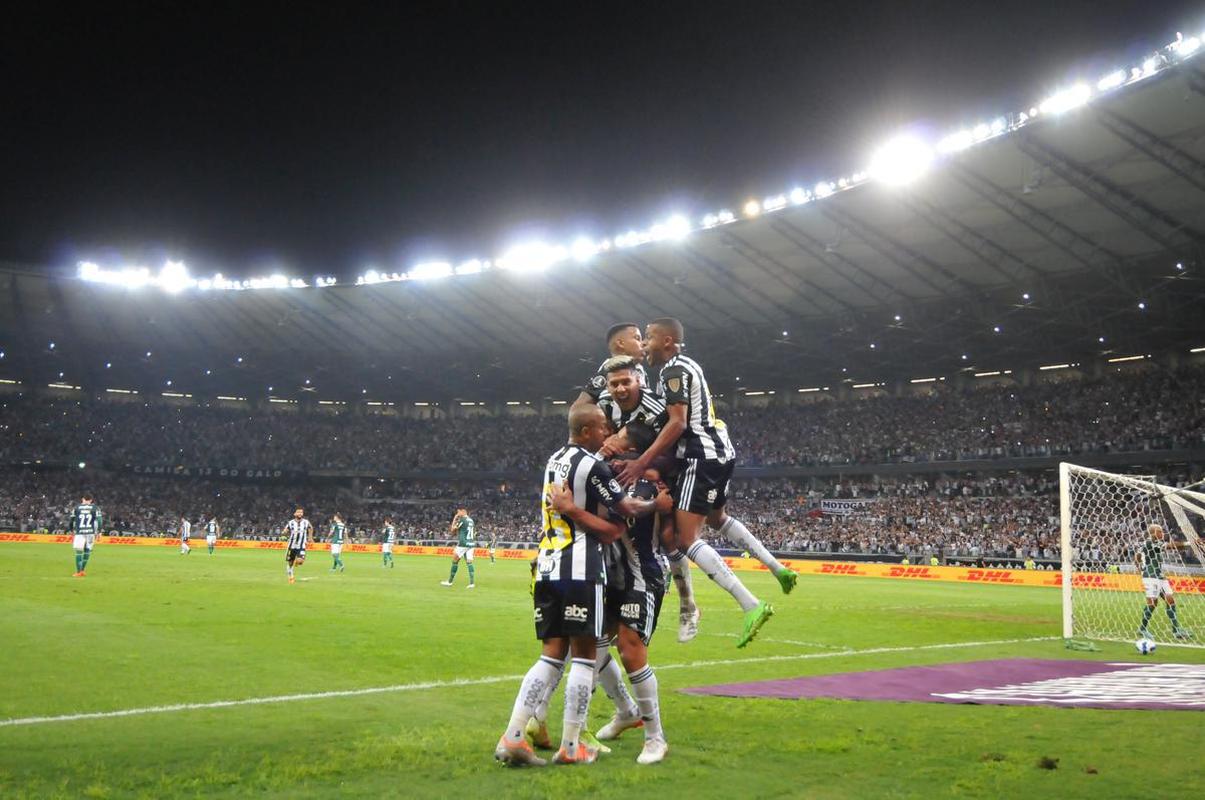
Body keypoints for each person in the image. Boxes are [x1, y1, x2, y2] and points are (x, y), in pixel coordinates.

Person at [494, 404, 669, 767]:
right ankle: (573, 746)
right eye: (603, 427)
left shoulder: (553, 460)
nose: (607, 432)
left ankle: (513, 737)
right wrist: (656, 504)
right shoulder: (592, 465)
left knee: (550, 656)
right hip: (580, 569)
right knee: (585, 658)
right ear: (588, 431)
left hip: (547, 565)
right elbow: (625, 514)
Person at [617, 318, 777, 647]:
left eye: (648, 338)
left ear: (668, 341)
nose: (645, 344)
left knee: (685, 539)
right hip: (716, 453)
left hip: (698, 458)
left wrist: (642, 463)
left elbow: (676, 424)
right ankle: (775, 568)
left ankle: (749, 603)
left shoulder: (672, 371)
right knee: (696, 526)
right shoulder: (685, 366)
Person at [562, 464, 672, 765]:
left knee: (630, 649)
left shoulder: (649, 485)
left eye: (616, 440)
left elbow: (629, 512)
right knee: (590, 645)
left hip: (641, 576)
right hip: (612, 575)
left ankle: (655, 738)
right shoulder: (606, 479)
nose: (610, 448)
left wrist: (571, 508)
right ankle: (626, 711)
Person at [596, 354, 700, 643]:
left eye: (625, 382)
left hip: (661, 467)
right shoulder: (604, 404)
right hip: (625, 470)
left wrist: (648, 467)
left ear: (638, 379)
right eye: (613, 384)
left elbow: (675, 451)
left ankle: (687, 603)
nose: (619, 389)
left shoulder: (657, 406)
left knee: (669, 536)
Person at [571, 322, 650, 408]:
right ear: (620, 343)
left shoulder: (639, 369)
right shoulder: (609, 369)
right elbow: (581, 405)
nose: (643, 343)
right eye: (637, 338)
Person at [1136, 524, 1191, 639]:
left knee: (1170, 599)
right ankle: (1142, 629)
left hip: (1160, 576)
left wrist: (1139, 566)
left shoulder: (1151, 543)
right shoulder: (1150, 543)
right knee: (1153, 603)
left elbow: (1137, 556)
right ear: (1152, 533)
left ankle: (1176, 631)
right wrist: (1189, 543)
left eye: (1162, 531)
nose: (1162, 534)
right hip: (1151, 576)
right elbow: (1171, 546)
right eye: (1159, 531)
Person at [442, 508, 476, 588]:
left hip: (463, 544)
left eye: (458, 512)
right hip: (471, 543)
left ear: (463, 511)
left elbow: (452, 529)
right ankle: (472, 583)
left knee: (455, 561)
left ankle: (449, 582)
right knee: (469, 562)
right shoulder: (471, 520)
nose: (458, 513)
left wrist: (455, 518)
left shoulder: (462, 520)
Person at [70, 493, 102, 577]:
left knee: (79, 552)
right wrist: (99, 532)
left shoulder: (76, 508)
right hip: (90, 533)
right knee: (87, 551)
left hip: (80, 532)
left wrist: (71, 530)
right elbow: (99, 521)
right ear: (91, 500)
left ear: (82, 499)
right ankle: (83, 570)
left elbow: (71, 521)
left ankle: (78, 571)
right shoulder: (96, 508)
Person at [283, 507, 312, 585]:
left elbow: (310, 528)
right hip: (291, 546)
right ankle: (291, 577)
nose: (300, 513)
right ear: (295, 514)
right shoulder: (291, 522)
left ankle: (297, 561)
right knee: (290, 563)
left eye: (301, 512)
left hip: (301, 545)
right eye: (298, 512)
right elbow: (285, 530)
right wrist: (284, 533)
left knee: (300, 561)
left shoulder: (306, 522)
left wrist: (310, 537)